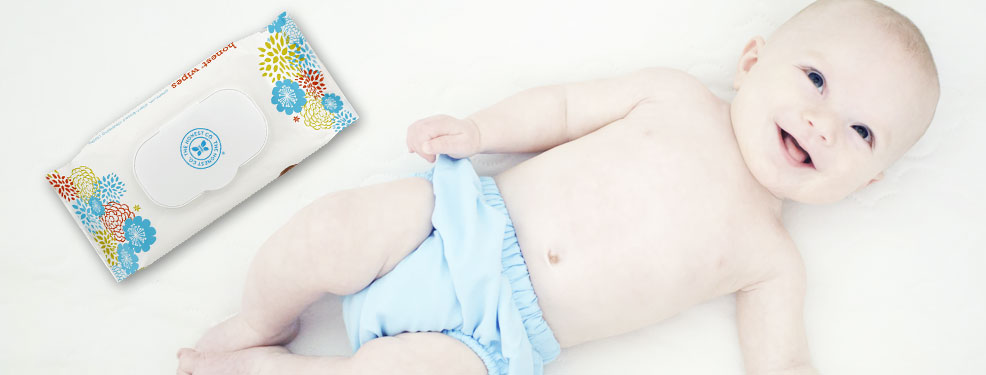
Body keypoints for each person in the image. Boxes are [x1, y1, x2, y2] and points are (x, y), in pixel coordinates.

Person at [176, 0, 939, 373]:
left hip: (493, 337)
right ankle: (257, 318)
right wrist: (479, 133)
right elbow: (566, 107)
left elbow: (782, 363)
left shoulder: (772, 257)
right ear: (751, 61)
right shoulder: (675, 97)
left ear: (865, 179)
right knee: (329, 232)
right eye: (815, 78)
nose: (822, 122)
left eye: (863, 132)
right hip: (455, 220)